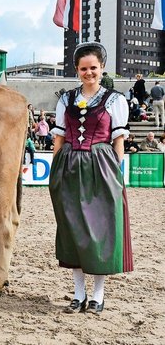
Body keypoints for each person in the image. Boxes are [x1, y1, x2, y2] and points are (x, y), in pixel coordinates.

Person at [49, 42, 133, 315]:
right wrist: (56, 170)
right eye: (83, 68)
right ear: (77, 70)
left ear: (102, 68)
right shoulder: (66, 99)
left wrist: (115, 172)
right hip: (70, 166)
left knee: (100, 231)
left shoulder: (115, 100)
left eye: (93, 68)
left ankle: (98, 295)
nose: (88, 73)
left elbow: (118, 139)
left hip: (101, 166)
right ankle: (78, 294)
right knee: (73, 230)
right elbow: (59, 137)